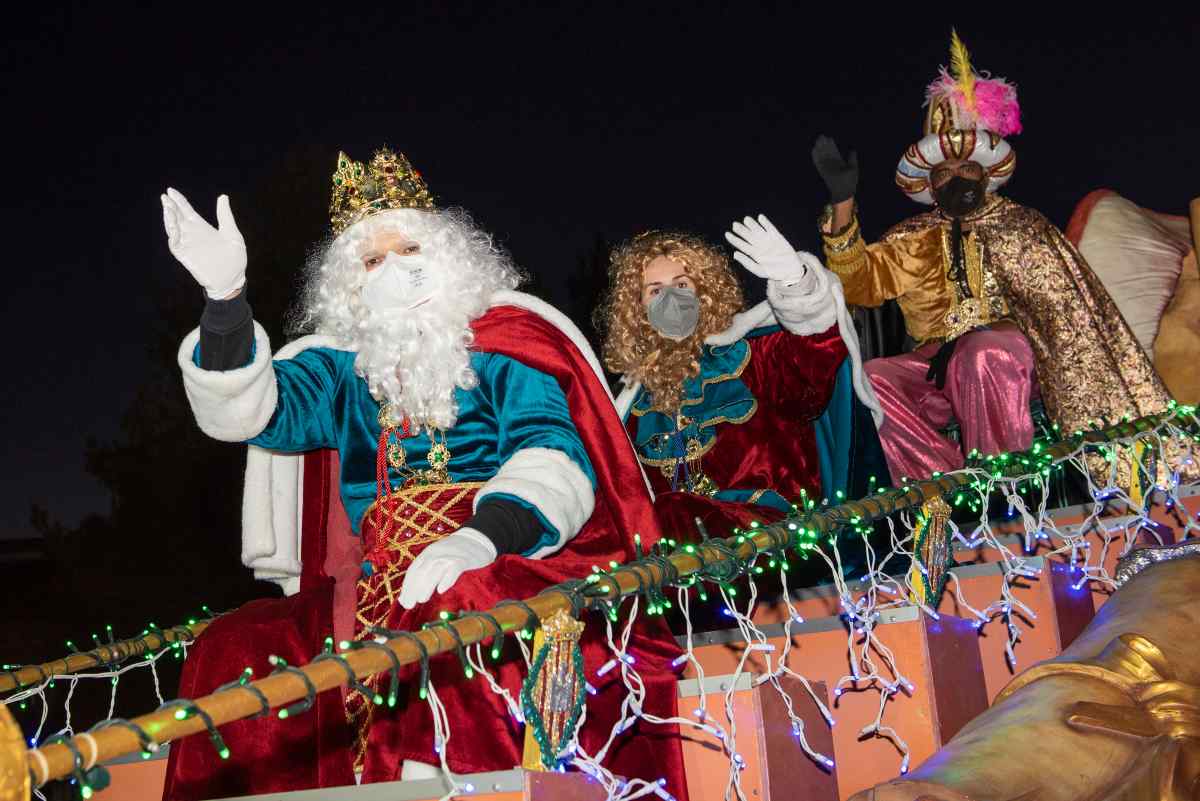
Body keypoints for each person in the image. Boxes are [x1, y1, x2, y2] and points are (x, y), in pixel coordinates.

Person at [159, 148, 685, 798]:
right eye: (372, 261)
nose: (394, 272)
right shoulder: (343, 371)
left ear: (449, 254)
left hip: (508, 557)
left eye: (408, 248)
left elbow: (550, 453)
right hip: (375, 586)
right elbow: (254, 405)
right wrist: (226, 302)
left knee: (458, 601)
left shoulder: (506, 345)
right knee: (234, 643)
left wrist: (481, 535)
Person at [811, 32, 1177, 485]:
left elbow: (1061, 312)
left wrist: (992, 331)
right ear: (931, 182)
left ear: (984, 175)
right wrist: (843, 203)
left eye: (967, 168)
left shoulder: (1023, 225)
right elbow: (858, 283)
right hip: (934, 363)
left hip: (1018, 358)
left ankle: (1007, 483)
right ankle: (949, 489)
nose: (956, 177)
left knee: (981, 352)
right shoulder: (913, 235)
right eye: (944, 171)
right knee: (869, 381)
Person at [597, 217, 885, 544]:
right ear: (637, 309)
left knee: (673, 514)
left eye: (681, 285)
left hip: (772, 534)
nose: (670, 299)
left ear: (704, 291)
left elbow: (813, 363)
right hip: (677, 555)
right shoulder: (631, 404)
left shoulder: (751, 358)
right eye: (655, 290)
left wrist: (797, 285)